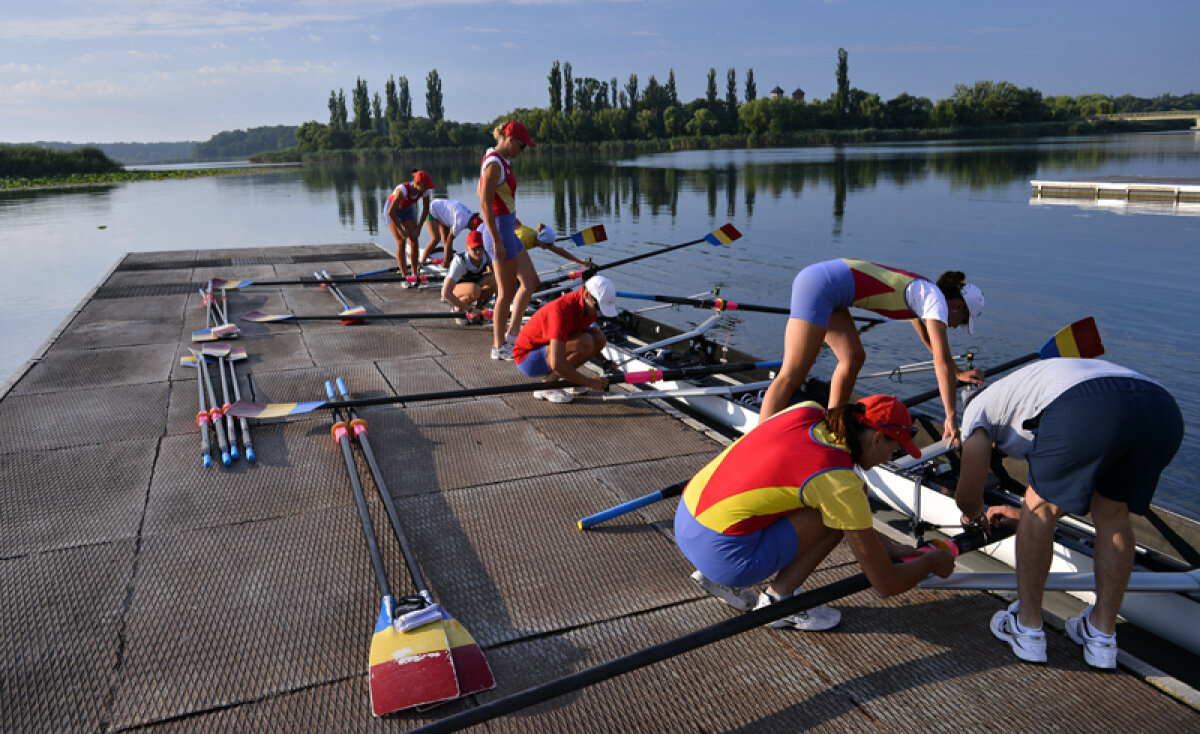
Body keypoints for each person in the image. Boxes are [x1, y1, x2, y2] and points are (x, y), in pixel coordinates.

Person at [952, 358, 1183, 669]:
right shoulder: (1023, 390)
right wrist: (1022, 514)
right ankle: (1101, 635)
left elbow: (968, 497)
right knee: (1113, 514)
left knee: (1040, 507)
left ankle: (1027, 627)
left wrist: (976, 516)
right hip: (1161, 411)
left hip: (1088, 407)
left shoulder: (977, 410)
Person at [677, 394, 956, 630]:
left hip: (687, 518)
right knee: (839, 514)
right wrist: (930, 563)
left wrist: (891, 550)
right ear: (877, 439)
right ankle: (780, 604)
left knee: (821, 499)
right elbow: (885, 583)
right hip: (725, 556)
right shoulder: (837, 481)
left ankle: (714, 572)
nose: (888, 459)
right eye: (893, 450)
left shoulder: (807, 410)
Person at [759, 258, 986, 449]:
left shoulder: (926, 293)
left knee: (853, 358)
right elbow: (940, 361)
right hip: (819, 285)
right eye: (962, 322)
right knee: (792, 375)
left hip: (829, 287)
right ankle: (757, 444)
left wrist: (957, 372)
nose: (956, 327)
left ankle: (831, 430)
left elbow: (934, 346)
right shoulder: (934, 300)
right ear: (958, 307)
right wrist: (951, 417)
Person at [512, 275, 616, 404]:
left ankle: (568, 379)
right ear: (588, 295)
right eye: (598, 307)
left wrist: (605, 361)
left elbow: (588, 344)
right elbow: (557, 363)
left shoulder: (588, 308)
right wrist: (589, 382)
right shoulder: (561, 311)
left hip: (547, 351)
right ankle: (547, 385)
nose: (599, 312)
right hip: (527, 358)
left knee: (599, 338)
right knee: (585, 341)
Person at [479, 120, 534, 360]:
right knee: (506, 292)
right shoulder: (493, 164)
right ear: (510, 140)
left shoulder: (502, 162)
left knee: (531, 281)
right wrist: (496, 239)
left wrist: (514, 219)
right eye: (522, 147)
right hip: (499, 234)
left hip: (507, 228)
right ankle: (498, 347)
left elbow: (501, 200)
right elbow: (484, 202)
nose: (523, 151)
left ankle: (512, 336)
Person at [385, 169, 435, 284]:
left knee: (414, 239)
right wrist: (400, 229)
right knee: (401, 241)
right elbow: (390, 213)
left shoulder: (425, 191)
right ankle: (404, 276)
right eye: (425, 186)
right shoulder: (403, 190)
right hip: (392, 211)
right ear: (417, 184)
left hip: (407, 211)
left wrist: (419, 228)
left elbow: (426, 208)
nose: (427, 189)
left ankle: (414, 273)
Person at [440, 230, 496, 324]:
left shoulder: (486, 256)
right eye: (475, 248)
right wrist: (470, 310)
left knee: (494, 280)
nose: (479, 251)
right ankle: (458, 309)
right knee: (475, 290)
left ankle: (479, 310)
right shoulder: (459, 262)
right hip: (453, 291)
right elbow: (446, 293)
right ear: (467, 247)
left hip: (473, 286)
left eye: (481, 247)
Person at [420, 198, 482, 266]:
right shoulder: (461, 221)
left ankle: (448, 259)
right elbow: (450, 239)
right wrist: (446, 260)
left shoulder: (472, 216)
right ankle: (422, 262)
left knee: (446, 239)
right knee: (436, 239)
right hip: (431, 209)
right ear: (471, 225)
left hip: (443, 212)